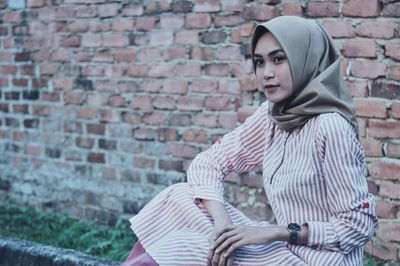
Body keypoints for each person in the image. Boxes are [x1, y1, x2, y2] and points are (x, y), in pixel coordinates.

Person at [122, 16, 378, 266]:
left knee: (186, 248)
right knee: (181, 197)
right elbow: (209, 163)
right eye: (259, 62)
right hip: (284, 250)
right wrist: (222, 225)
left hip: (319, 259)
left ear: (306, 59)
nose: (266, 73)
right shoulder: (273, 115)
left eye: (278, 59)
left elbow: (358, 224)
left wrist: (279, 232)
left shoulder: (330, 126)